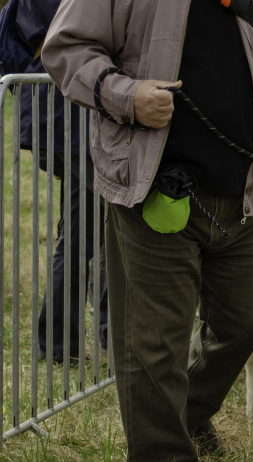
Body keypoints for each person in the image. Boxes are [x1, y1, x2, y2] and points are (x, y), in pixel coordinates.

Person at [42, 0, 253, 462]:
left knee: (249, 318)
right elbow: (66, 47)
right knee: (155, 340)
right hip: (151, 187)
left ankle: (184, 412)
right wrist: (125, 94)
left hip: (245, 192)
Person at [12, 0, 108, 362]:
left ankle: (66, 343)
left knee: (86, 231)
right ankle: (78, 340)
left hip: (72, 123)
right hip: (71, 123)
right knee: (106, 229)